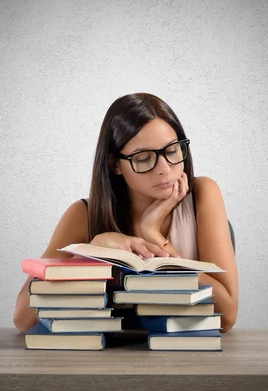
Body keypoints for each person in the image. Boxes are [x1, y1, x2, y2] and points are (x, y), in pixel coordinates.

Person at [13, 93, 239, 335]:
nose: (164, 169)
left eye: (172, 151)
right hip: (102, 360)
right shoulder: (83, 214)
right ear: (115, 165)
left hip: (180, 356)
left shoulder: (204, 194)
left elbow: (227, 316)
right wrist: (92, 252)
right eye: (144, 159)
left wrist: (151, 233)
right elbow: (23, 319)